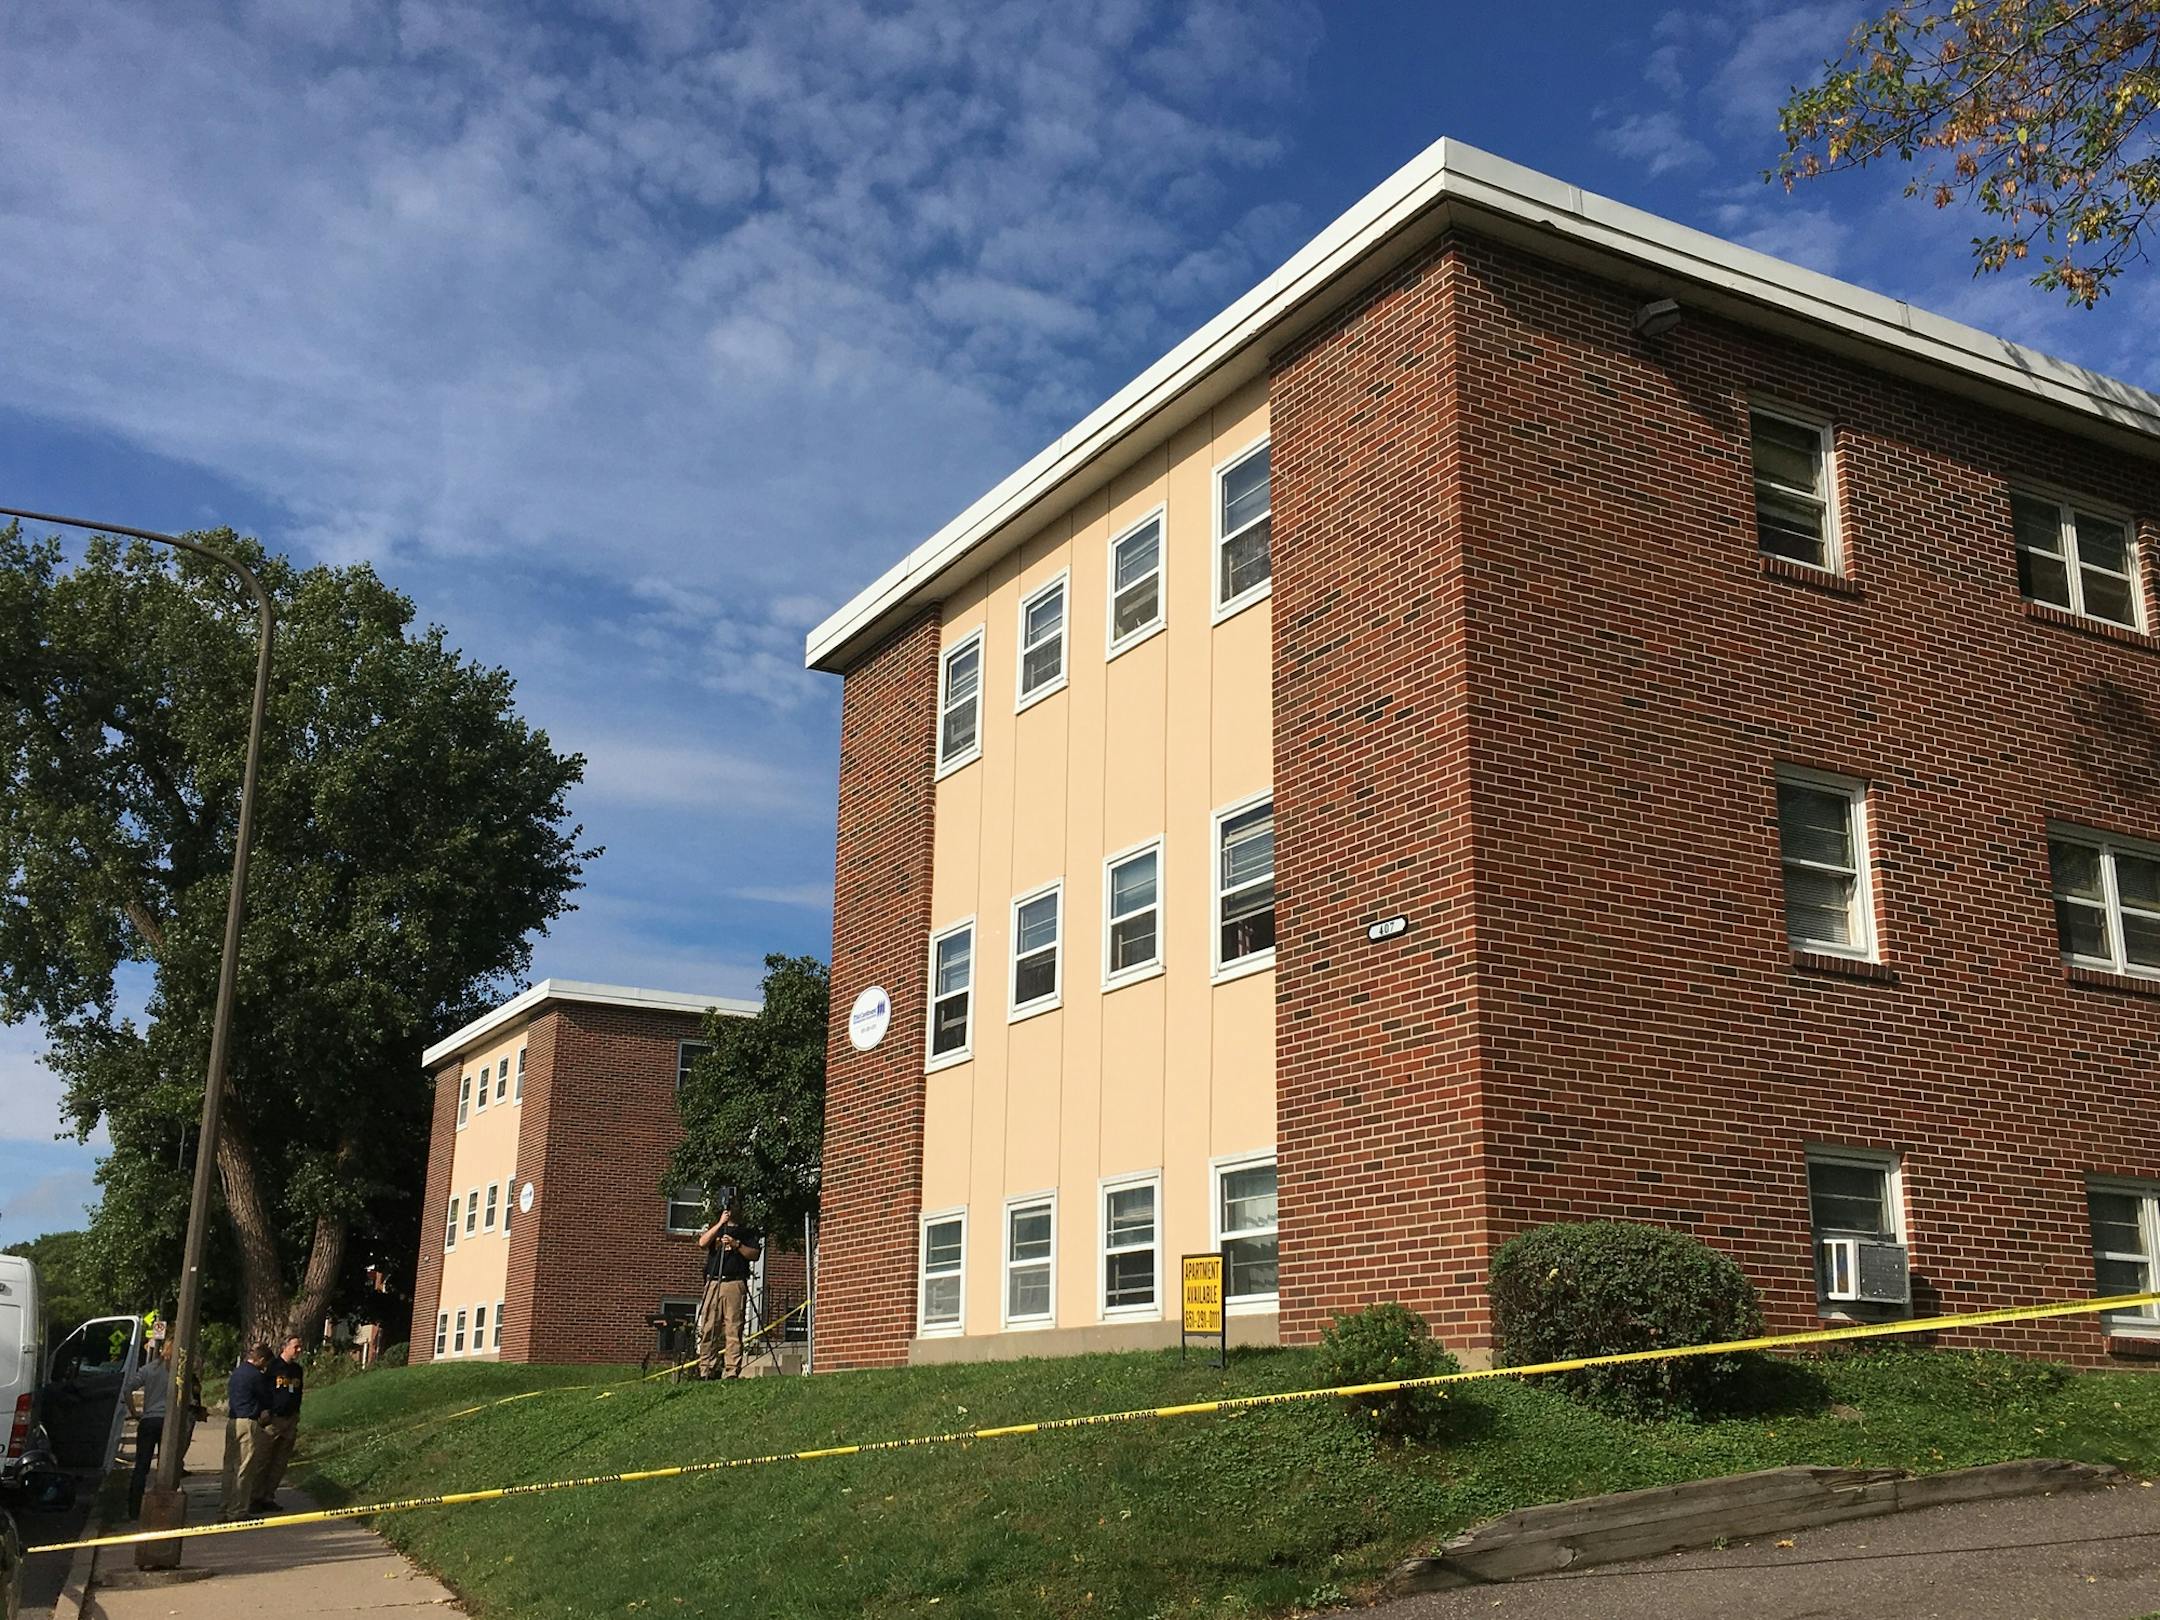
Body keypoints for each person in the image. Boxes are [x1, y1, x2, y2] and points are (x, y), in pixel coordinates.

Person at [694, 1199, 761, 1380]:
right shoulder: (716, 1228)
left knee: (733, 1326)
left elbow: (754, 1255)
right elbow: (702, 1243)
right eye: (728, 1208)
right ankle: (707, 1369)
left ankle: (731, 1370)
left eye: (734, 1207)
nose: (730, 1211)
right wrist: (720, 1224)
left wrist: (736, 1244)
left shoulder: (747, 1232)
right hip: (714, 1282)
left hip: (734, 1283)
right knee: (709, 1326)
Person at [121, 1337, 174, 1519]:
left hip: (149, 1419)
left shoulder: (149, 1369)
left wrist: (135, 1412)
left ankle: (134, 1509)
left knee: (141, 1465)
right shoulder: (177, 1373)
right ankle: (163, 1508)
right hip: (168, 1422)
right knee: (166, 1466)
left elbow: (127, 1389)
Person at [220, 1342, 274, 1520]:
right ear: (261, 1360)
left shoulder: (237, 1372)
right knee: (245, 1467)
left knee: (230, 1466)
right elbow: (266, 1397)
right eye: (265, 1363)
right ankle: (238, 1510)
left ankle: (225, 1505)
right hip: (248, 1421)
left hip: (233, 1420)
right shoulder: (256, 1375)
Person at [254, 1332, 305, 1512]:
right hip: (273, 1420)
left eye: (300, 1346)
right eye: (295, 1346)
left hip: (290, 1420)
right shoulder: (273, 1367)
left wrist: (296, 1413)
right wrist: (265, 1412)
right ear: (285, 1347)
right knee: (263, 1459)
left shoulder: (297, 1370)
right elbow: (263, 1391)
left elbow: (297, 1392)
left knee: (280, 1462)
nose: (298, 1350)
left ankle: (269, 1496)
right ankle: (255, 1497)